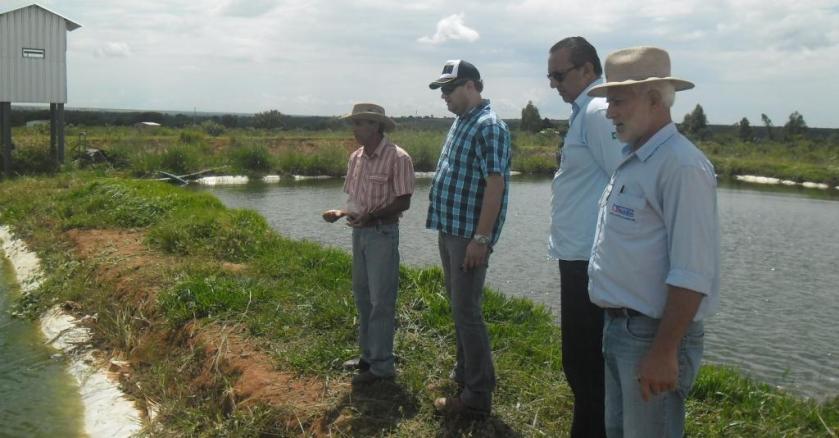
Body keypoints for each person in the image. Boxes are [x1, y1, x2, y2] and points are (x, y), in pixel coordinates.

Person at [586, 47, 720, 437]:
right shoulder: (635, 159)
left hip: (652, 336)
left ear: (655, 99)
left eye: (617, 101)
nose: (610, 112)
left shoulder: (681, 166)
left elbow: (693, 272)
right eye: (609, 101)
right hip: (621, 330)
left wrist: (663, 352)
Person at [547, 36, 623, 438]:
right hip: (579, 258)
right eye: (550, 77)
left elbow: (625, 178)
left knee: (584, 364)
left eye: (560, 75)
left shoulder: (594, 111)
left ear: (588, 71)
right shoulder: (586, 112)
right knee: (582, 364)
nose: (554, 84)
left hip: (588, 261)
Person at [425, 60, 511, 417]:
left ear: (472, 86)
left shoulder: (490, 127)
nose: (444, 96)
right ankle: (464, 374)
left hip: (468, 236)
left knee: (467, 311)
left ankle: (477, 395)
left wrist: (481, 238)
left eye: (449, 88)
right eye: (442, 90)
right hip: (450, 229)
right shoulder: (463, 122)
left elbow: (495, 186)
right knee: (459, 308)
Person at [322, 103, 415, 385]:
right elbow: (356, 201)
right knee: (363, 296)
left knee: (381, 301)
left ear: (375, 126)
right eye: (355, 122)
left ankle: (383, 366)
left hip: (382, 235)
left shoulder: (398, 158)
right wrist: (341, 213)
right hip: (360, 233)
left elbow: (404, 201)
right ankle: (367, 357)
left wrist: (371, 217)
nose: (355, 128)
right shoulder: (356, 158)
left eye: (360, 123)